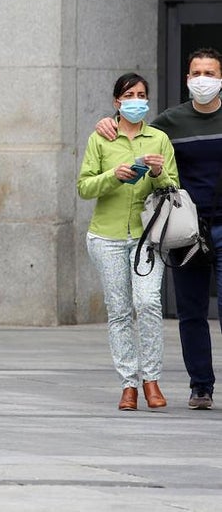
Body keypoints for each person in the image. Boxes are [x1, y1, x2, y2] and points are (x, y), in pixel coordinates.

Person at [95, 47, 222, 410]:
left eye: (210, 73)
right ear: (187, 79)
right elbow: (134, 130)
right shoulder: (171, 122)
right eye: (197, 73)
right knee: (192, 309)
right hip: (185, 228)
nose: (203, 80)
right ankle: (201, 387)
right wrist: (106, 120)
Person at [79, 73, 177, 411]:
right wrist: (113, 176)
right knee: (119, 310)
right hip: (106, 236)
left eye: (141, 94)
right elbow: (84, 187)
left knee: (148, 303)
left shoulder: (159, 139)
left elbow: (172, 186)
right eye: (129, 95)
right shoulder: (101, 138)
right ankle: (129, 384)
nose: (136, 100)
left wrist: (156, 173)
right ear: (117, 102)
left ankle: (151, 379)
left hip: (148, 236)